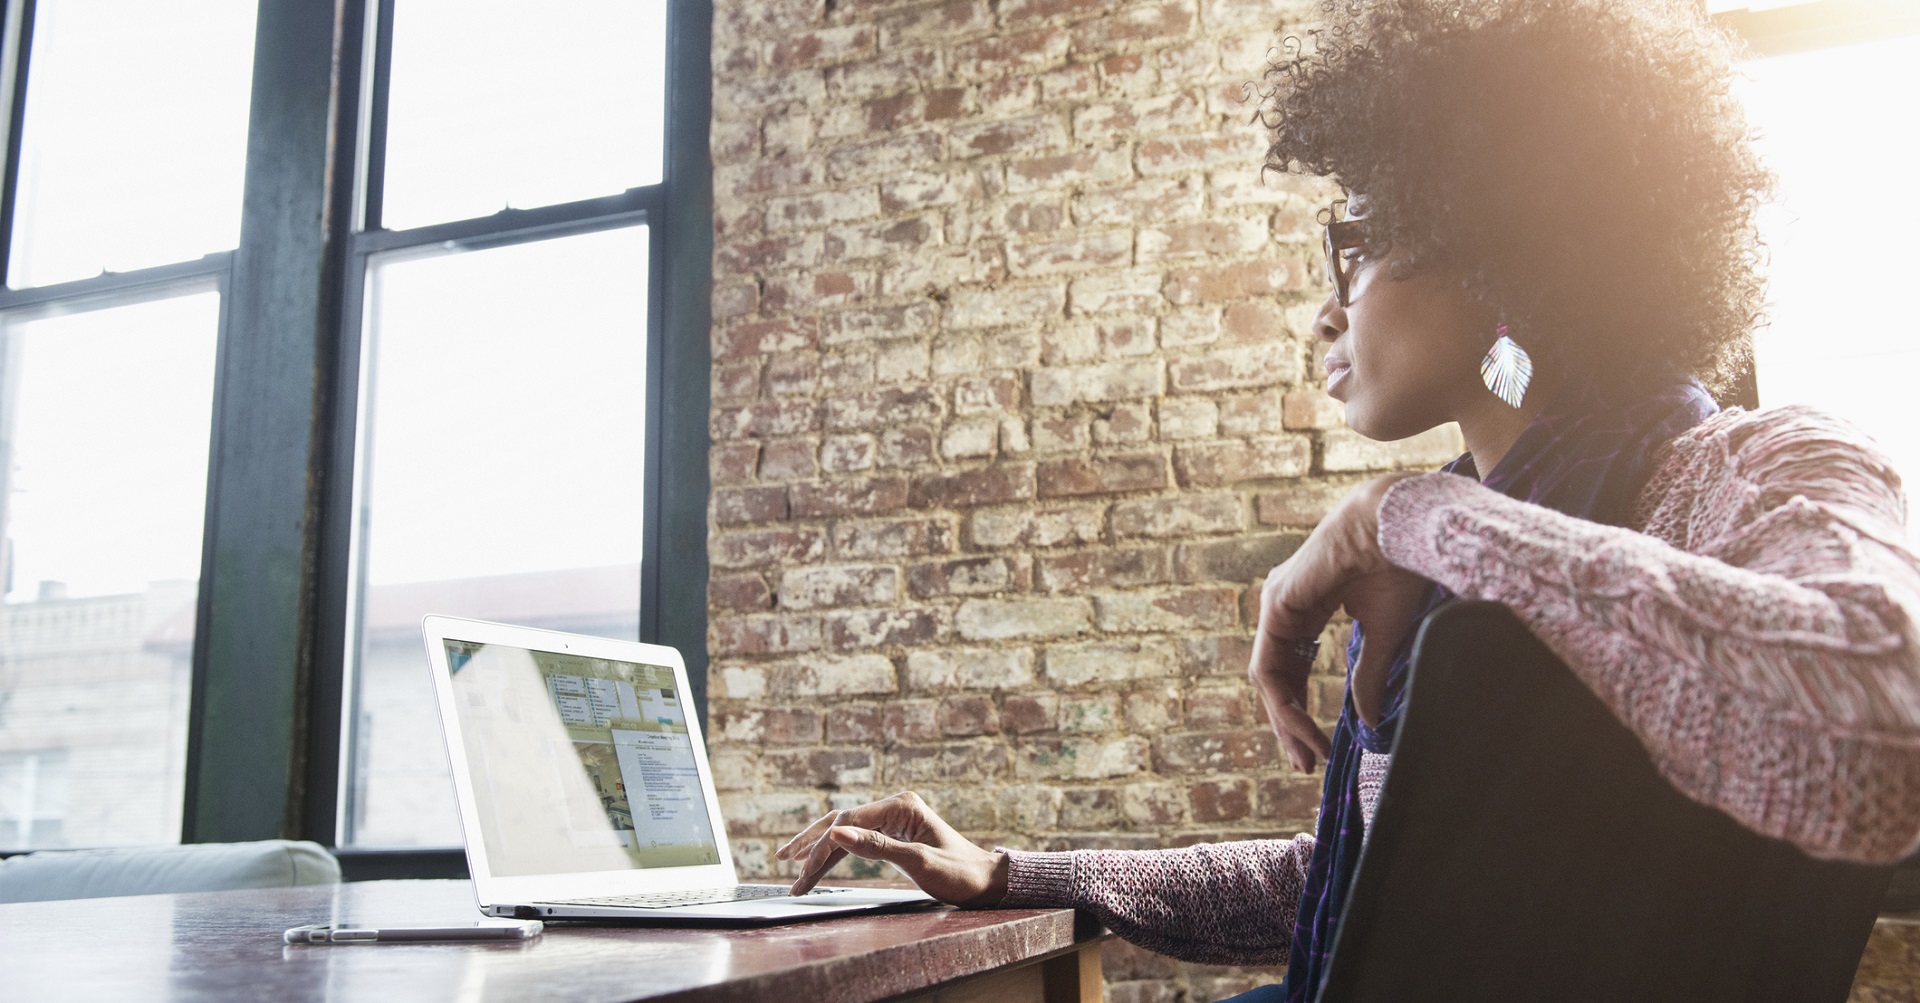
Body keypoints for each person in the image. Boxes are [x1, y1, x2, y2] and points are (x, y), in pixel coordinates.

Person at [776, 1, 1920, 1000]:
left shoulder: (1766, 465)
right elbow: (1352, 878)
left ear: (1506, 249)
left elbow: (1880, 728)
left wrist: (1404, 512)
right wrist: (1017, 874)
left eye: (1355, 242)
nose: (1324, 312)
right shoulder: (1474, 538)